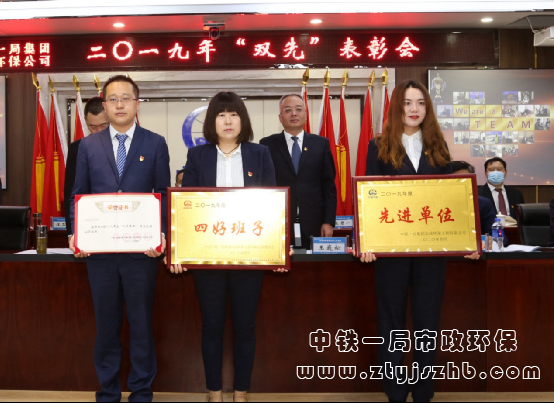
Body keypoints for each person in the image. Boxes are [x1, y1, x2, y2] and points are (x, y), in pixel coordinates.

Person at [170, 92, 284, 403]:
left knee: (245, 327)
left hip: (250, 255)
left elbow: (273, 204)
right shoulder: (198, 156)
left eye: (234, 114)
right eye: (221, 115)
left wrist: (277, 248)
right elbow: (186, 208)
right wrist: (179, 251)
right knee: (212, 326)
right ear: (212, 122)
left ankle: (242, 393)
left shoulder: (259, 154)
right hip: (208, 257)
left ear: (243, 120)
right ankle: (214, 392)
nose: (228, 120)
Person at [69, 75, 170, 402]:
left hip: (142, 253)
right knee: (106, 328)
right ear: (105, 104)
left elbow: (163, 194)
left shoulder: (155, 143)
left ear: (137, 103)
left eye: (126, 98)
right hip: (100, 254)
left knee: (141, 327)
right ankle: (108, 393)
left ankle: (141, 392)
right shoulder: (88, 146)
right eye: (113, 99)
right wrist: (75, 234)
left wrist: (161, 234)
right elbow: (79, 194)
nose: (120, 104)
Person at [362, 79, 455, 402]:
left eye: (421, 103)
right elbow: (369, 197)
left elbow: (450, 198)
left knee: (428, 322)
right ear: (396, 107)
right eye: (407, 102)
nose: (414, 109)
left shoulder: (438, 145)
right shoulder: (378, 146)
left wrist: (467, 240)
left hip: (431, 250)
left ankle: (424, 391)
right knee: (392, 323)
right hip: (391, 250)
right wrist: (368, 242)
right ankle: (396, 392)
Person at [260, 94, 337, 248]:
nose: (294, 114)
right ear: (280, 117)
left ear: (305, 115)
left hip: (314, 221)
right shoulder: (267, 144)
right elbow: (264, 186)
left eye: (298, 109)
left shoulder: (321, 144)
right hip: (279, 221)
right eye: (288, 110)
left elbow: (328, 186)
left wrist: (328, 222)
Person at [64, 97, 109, 236]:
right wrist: (71, 233)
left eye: (103, 125)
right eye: (93, 127)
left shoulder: (124, 145)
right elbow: (70, 193)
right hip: (90, 223)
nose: (98, 131)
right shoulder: (76, 149)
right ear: (85, 122)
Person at [451, 161, 508, 247]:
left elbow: (502, 239)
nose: (461, 183)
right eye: (456, 180)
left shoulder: (483, 204)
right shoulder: (434, 204)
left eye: (465, 179)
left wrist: (493, 241)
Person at [477, 157, 524, 221]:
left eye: (499, 169)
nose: (495, 172)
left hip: (513, 227)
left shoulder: (516, 193)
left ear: (505, 173)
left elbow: (522, 217)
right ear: (486, 173)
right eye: (491, 170)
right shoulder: (477, 194)